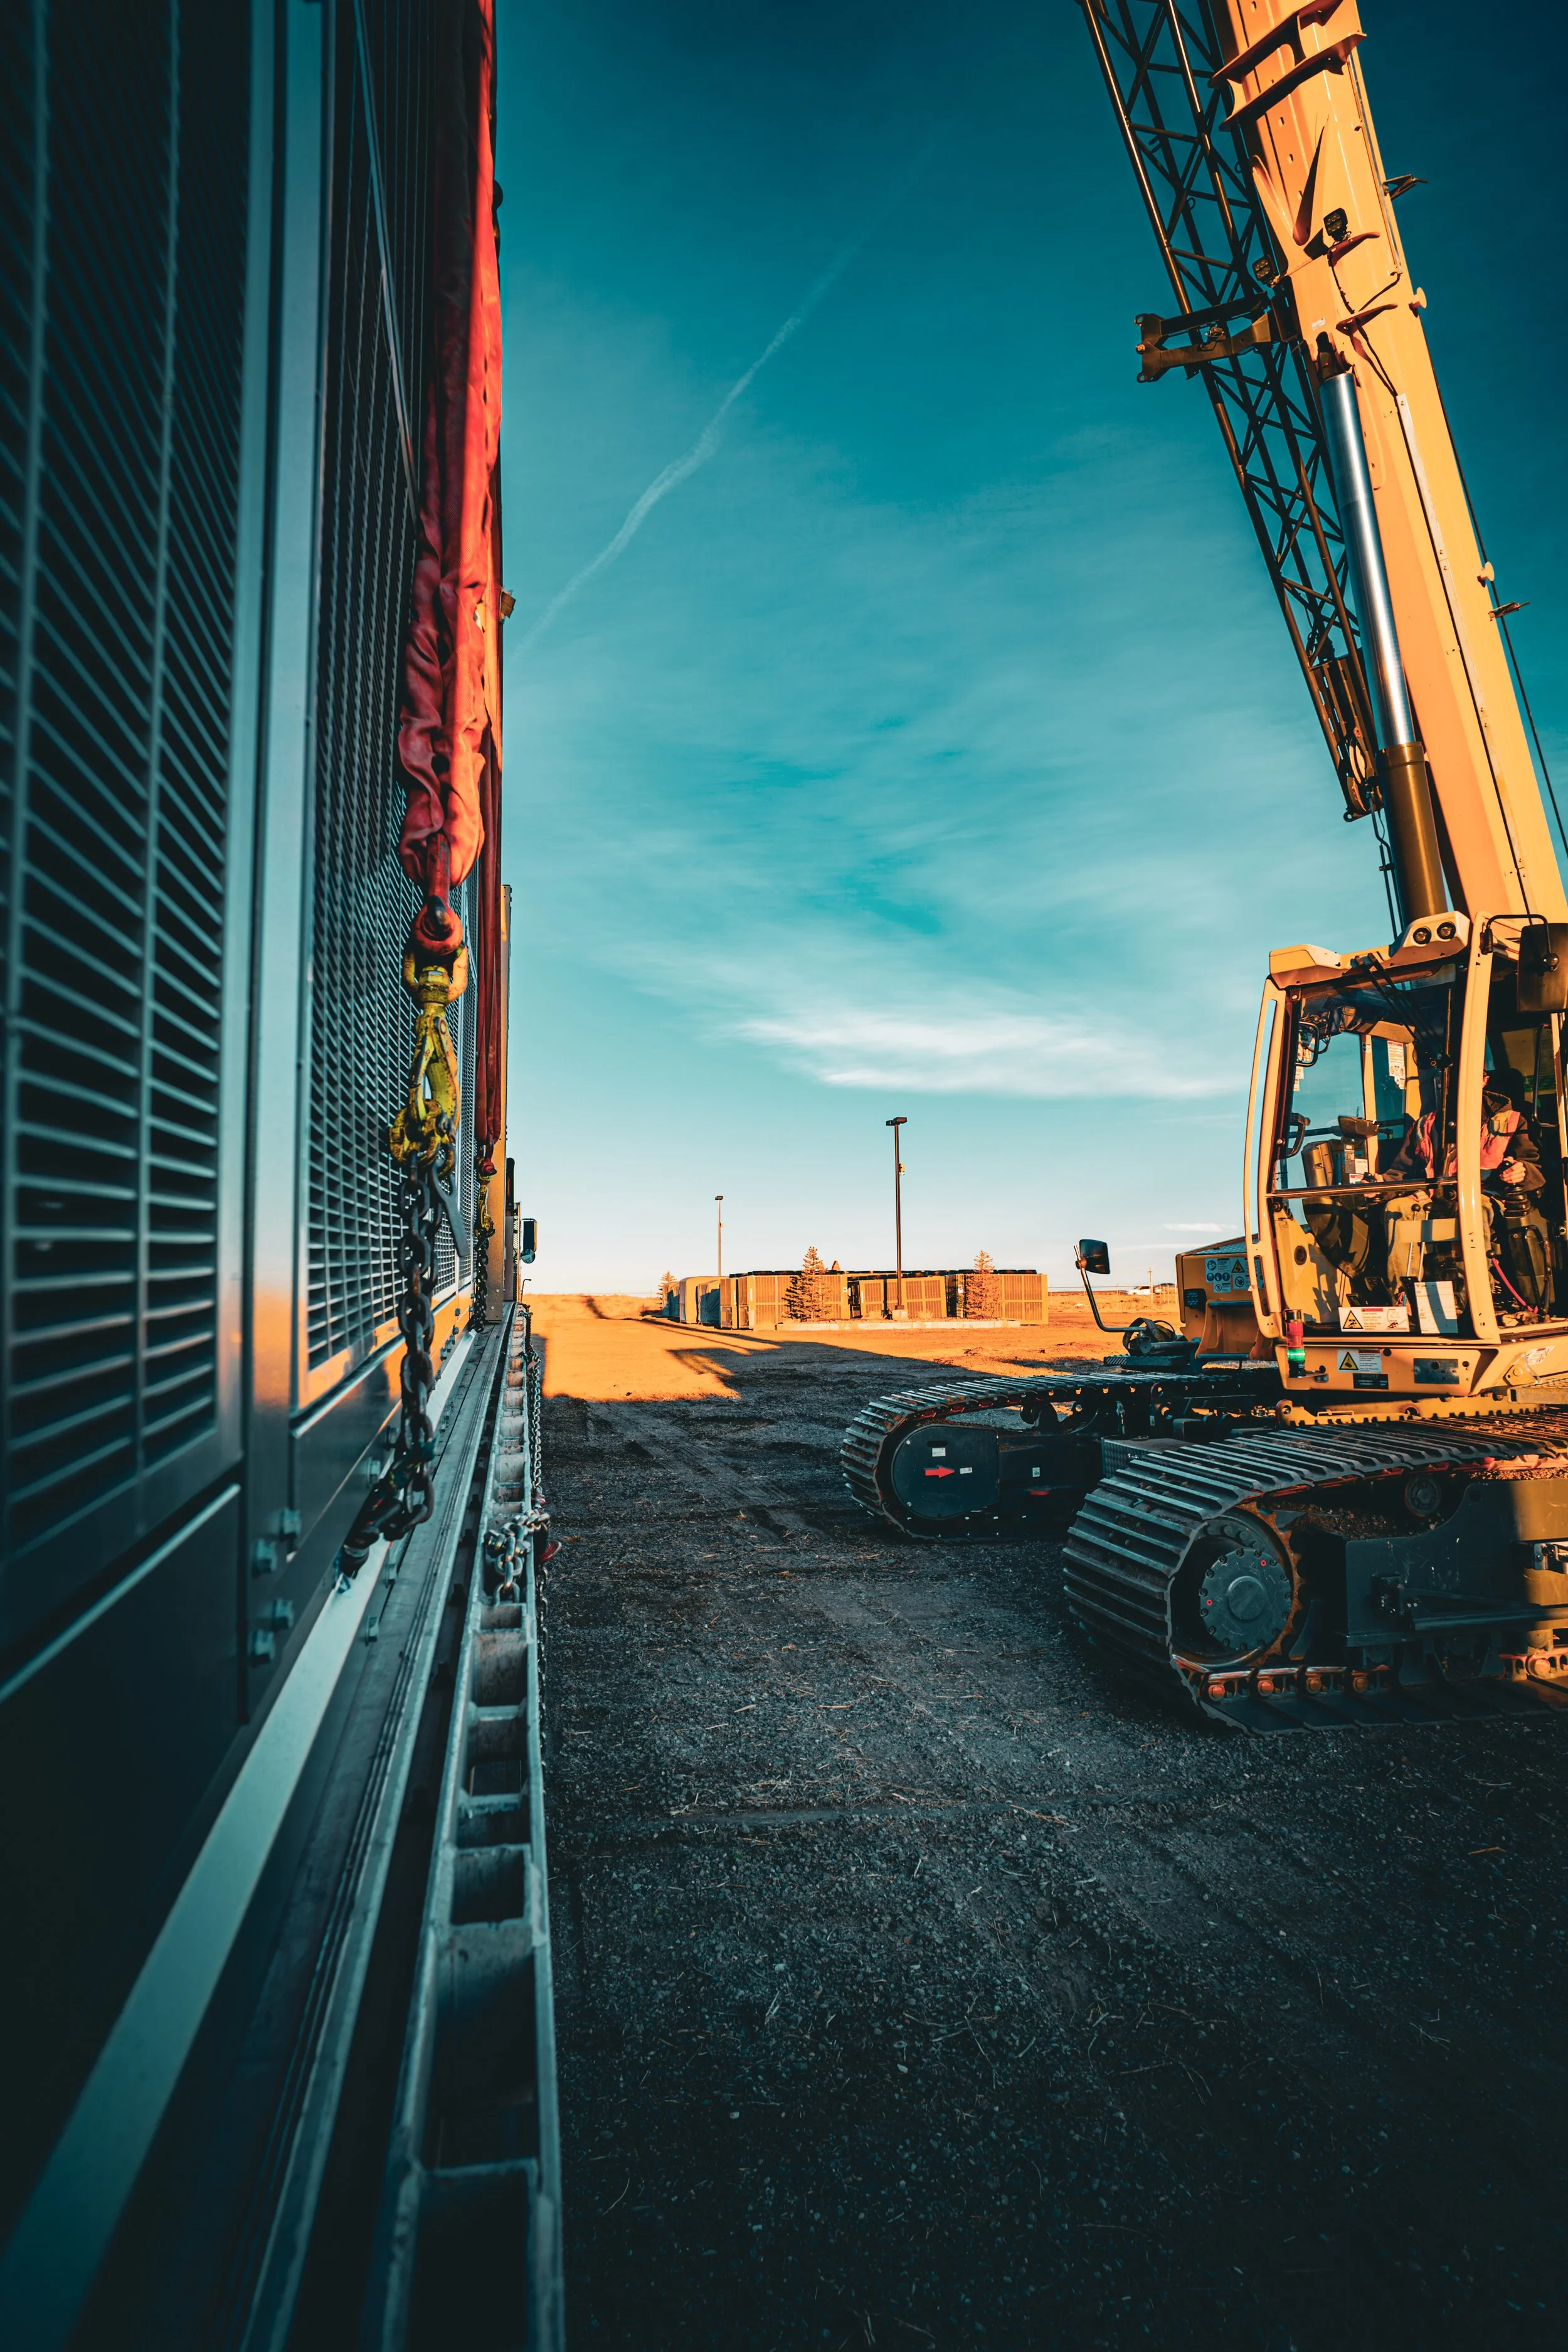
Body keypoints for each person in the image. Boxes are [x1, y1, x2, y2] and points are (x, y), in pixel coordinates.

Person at [1384, 1077, 1544, 1194]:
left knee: (1479, 1210)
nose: (1461, 1083)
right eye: (1453, 1076)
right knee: (1397, 1210)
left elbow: (1532, 1167)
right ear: (1444, 1082)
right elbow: (1401, 1174)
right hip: (1432, 1201)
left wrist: (1521, 1171)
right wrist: (1380, 1187)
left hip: (1488, 1198)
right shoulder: (1423, 1125)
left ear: (1484, 1080)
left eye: (1467, 1075)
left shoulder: (1513, 1121)